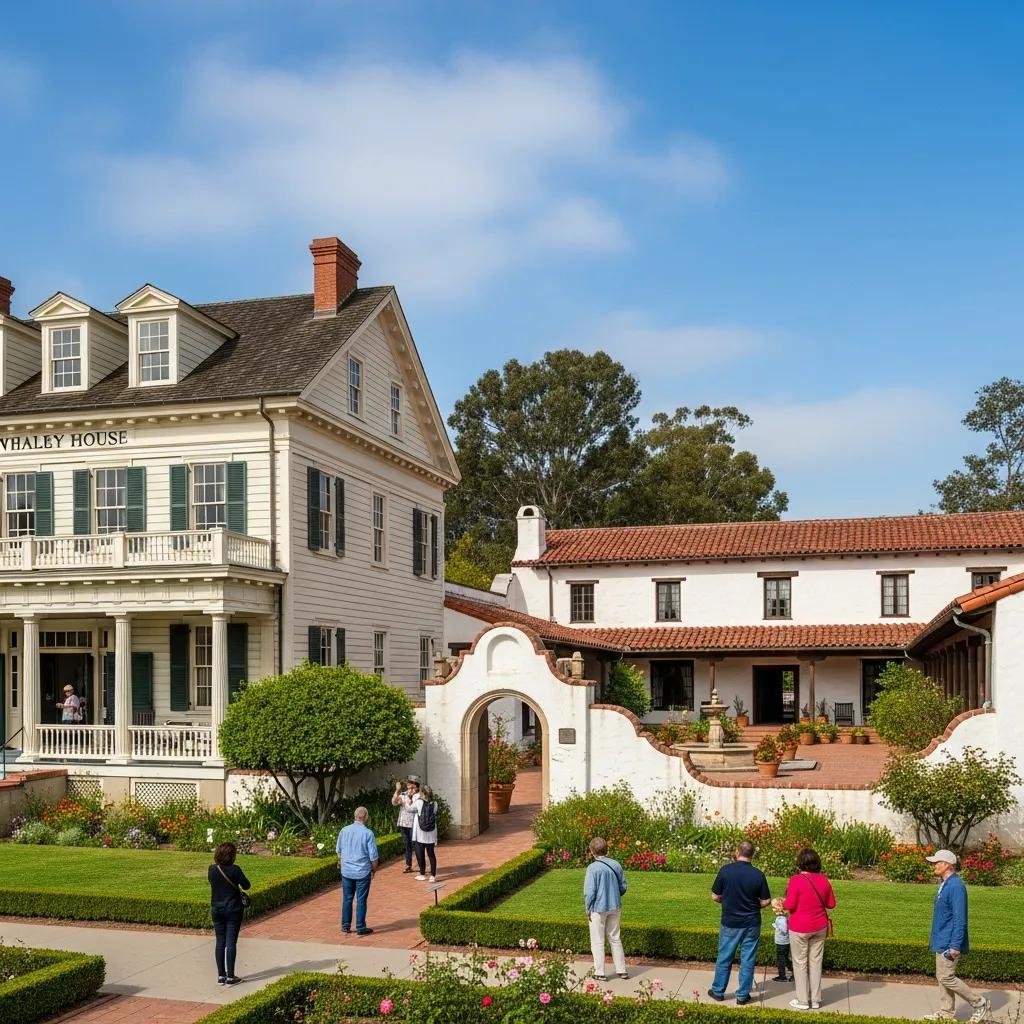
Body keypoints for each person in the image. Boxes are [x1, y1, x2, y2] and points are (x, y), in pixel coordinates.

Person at [923, 849, 991, 1023]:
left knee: (946, 977)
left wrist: (955, 945)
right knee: (942, 976)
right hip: (941, 939)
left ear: (947, 865)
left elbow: (960, 920)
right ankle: (946, 1013)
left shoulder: (956, 886)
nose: (934, 865)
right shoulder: (945, 884)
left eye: (937, 862)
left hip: (949, 942)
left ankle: (979, 1003)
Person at [708, 840, 771, 1006]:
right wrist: (753, 904)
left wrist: (726, 900)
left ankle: (718, 991)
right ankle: (743, 995)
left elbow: (715, 895)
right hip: (751, 922)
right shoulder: (758, 874)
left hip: (730, 921)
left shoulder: (726, 871)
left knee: (725, 957)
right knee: (748, 958)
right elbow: (766, 901)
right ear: (752, 855)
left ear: (737, 853)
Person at [783, 847, 837, 1010]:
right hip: (819, 926)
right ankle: (815, 999)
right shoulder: (824, 880)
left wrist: (782, 903)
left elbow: (790, 905)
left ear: (800, 863)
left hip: (799, 926)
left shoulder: (796, 880)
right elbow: (831, 904)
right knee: (816, 962)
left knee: (800, 963)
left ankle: (803, 1000)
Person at [583, 836, 628, 982]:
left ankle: (600, 972)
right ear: (606, 849)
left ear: (592, 852)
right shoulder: (616, 864)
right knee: (615, 938)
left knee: (597, 940)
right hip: (615, 906)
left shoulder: (592, 868)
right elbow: (623, 887)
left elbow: (589, 892)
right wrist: (615, 894)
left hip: (598, 908)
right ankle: (622, 970)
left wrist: (588, 908)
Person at [208, 841, 251, 985]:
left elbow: (212, 882)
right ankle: (231, 976)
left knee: (220, 941)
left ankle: (221, 975)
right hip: (233, 909)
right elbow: (247, 885)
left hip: (216, 909)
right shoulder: (235, 870)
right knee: (231, 942)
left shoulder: (212, 869)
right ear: (231, 856)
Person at [336, 806, 379, 936]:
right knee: (361, 900)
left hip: (347, 871)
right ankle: (360, 927)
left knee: (347, 898)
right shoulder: (368, 833)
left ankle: (345, 925)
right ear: (366, 817)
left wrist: (343, 863)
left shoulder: (344, 830)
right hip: (362, 871)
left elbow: (339, 851)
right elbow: (374, 857)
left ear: (355, 816)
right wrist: (373, 870)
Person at [392, 775, 420, 873]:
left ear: (415, 785)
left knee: (416, 845)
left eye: (411, 784)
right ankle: (408, 865)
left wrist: (410, 797)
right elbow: (394, 802)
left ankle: (421, 864)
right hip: (404, 823)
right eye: (408, 784)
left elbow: (414, 808)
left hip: (414, 823)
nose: (409, 786)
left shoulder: (419, 795)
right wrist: (397, 791)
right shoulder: (403, 794)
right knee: (407, 845)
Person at [411, 784, 438, 882]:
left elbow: (409, 809)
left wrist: (407, 801)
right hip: (431, 833)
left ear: (422, 793)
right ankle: (433, 876)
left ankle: (422, 874)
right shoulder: (435, 803)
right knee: (431, 854)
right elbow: (434, 813)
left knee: (420, 853)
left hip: (420, 833)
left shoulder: (418, 802)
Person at [771, 897, 792, 982]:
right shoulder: (784, 917)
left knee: (781, 959)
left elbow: (784, 930)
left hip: (782, 942)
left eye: (773, 907)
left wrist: (776, 926)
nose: (772, 909)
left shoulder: (781, 919)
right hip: (784, 942)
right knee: (785, 958)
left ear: (778, 908)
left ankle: (782, 975)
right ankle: (790, 970)